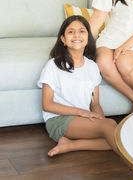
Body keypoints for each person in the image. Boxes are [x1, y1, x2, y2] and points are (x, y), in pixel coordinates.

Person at [37, 15, 118, 157]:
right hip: (58, 119)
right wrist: (82, 112)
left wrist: (99, 119)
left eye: (82, 31)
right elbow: (47, 105)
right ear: (63, 39)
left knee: (114, 133)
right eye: (70, 32)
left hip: (84, 119)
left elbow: (95, 103)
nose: (76, 35)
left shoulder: (92, 67)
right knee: (113, 132)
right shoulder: (53, 66)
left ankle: (71, 145)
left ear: (88, 38)